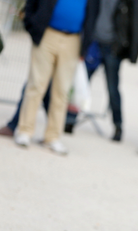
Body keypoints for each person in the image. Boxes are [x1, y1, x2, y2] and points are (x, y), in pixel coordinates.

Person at [14, 0, 99, 155]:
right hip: (47, 33)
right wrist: (32, 25)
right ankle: (25, 131)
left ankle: (52, 137)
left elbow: (93, 14)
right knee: (36, 85)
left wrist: (85, 45)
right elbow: (31, 5)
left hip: (73, 39)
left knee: (62, 91)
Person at [66, 0, 138, 141]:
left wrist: (132, 51)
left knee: (112, 89)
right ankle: (70, 119)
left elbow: (136, 21)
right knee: (82, 82)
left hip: (113, 48)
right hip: (94, 43)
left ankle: (118, 126)